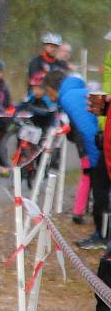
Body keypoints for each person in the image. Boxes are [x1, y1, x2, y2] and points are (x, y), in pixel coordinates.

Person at [43, 70, 104, 249]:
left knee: (101, 192)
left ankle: (102, 235)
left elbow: (87, 130)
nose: (49, 96)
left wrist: (96, 162)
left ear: (52, 88)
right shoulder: (77, 91)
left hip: (99, 151)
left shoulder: (68, 97)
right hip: (100, 147)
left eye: (48, 92)